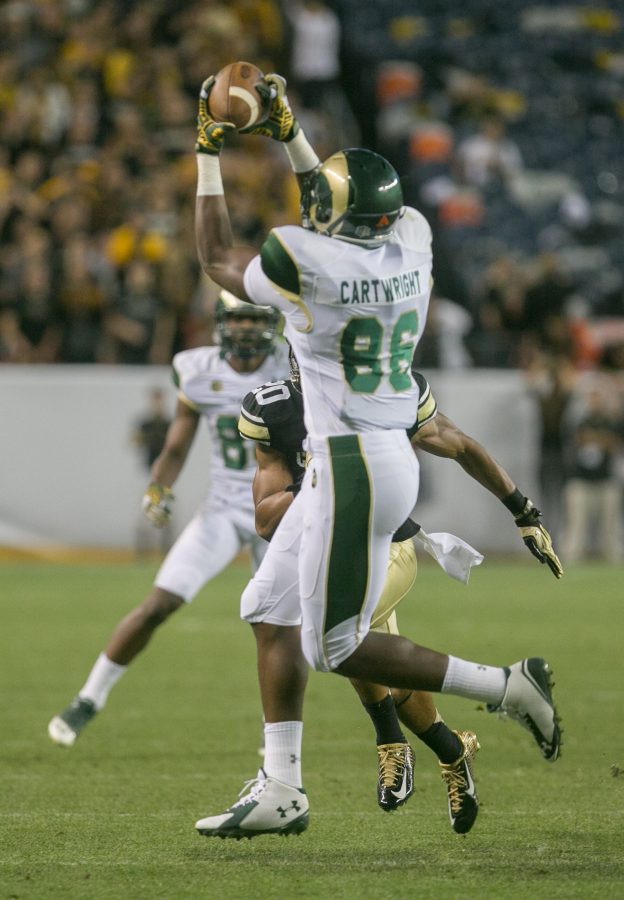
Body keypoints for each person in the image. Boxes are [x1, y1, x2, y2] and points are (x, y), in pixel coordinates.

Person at [192, 73, 564, 835]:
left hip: (352, 463)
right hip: (381, 454)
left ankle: (506, 685)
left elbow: (217, 257)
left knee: (335, 648)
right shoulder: (415, 237)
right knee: (265, 610)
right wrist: (291, 134)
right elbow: (336, 211)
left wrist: (210, 146)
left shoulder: (305, 258)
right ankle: (281, 787)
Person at [194, 351, 561, 839]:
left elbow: (459, 444)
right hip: (322, 543)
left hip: (389, 544)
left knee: (332, 633)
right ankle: (452, 752)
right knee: (324, 632)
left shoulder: (389, 392)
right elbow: (264, 518)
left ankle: (394, 742)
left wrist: (523, 510)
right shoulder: (278, 409)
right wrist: (321, 482)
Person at [47, 292, 287, 746]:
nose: (244, 329)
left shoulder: (292, 367)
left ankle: (275, 737)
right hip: (224, 508)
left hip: (280, 510)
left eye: (254, 319)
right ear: (220, 322)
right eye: (236, 319)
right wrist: (158, 488)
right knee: (159, 602)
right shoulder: (197, 369)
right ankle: (89, 697)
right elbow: (177, 444)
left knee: (277, 628)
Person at [132, 387, 173, 558]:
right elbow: (134, 441)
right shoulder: (146, 423)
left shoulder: (168, 423)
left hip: (167, 475)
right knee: (145, 511)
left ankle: (166, 550)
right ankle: (142, 549)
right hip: (149, 473)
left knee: (167, 512)